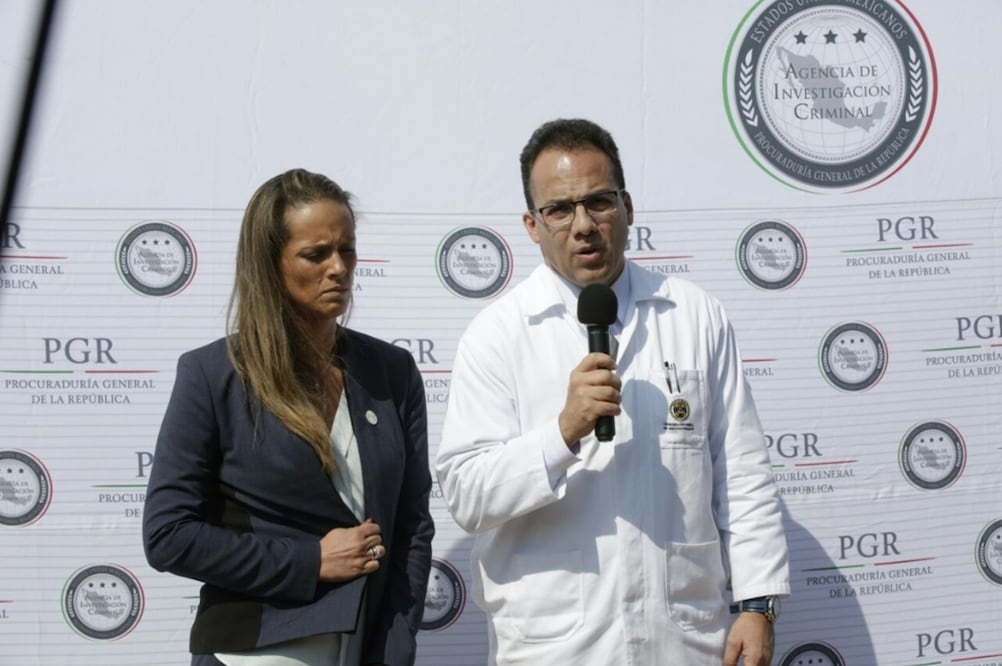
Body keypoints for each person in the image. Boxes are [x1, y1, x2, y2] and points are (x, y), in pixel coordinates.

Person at [436, 119, 789, 665]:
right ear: (532, 224)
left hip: (686, 638)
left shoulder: (694, 314)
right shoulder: (498, 334)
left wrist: (757, 603)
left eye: (598, 202)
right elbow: (466, 494)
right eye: (559, 209)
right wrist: (560, 434)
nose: (583, 225)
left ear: (627, 207)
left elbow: (741, 471)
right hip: (557, 647)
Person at [143, 168, 434, 666]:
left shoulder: (392, 371)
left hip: (366, 648)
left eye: (347, 249)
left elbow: (412, 525)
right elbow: (169, 536)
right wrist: (311, 561)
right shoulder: (213, 375)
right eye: (316, 254)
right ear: (270, 264)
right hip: (250, 652)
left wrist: (396, 647)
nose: (339, 268)